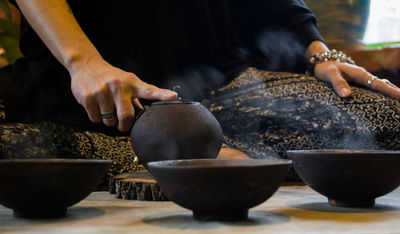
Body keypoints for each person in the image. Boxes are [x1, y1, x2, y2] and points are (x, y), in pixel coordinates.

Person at [1, 0, 400, 178]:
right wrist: (82, 62)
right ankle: (164, 153)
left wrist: (318, 53)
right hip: (95, 98)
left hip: (221, 83)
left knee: (387, 120)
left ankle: (186, 155)